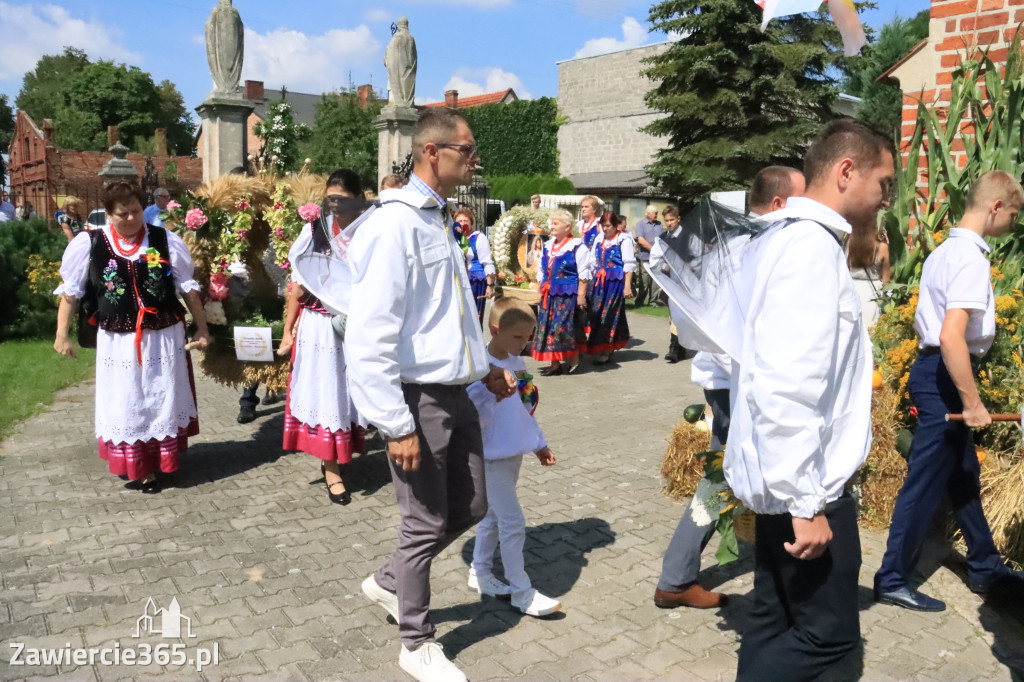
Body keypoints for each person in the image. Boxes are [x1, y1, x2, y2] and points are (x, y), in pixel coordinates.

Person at [347, 108, 516, 682]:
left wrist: (484, 367)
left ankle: (390, 580)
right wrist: (395, 425)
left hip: (456, 390)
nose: (474, 159)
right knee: (422, 522)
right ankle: (416, 641)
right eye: (465, 150)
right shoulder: (393, 224)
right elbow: (370, 334)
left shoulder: (439, 217)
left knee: (472, 505)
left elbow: (450, 312)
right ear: (430, 153)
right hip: (417, 398)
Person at [726, 120, 894, 681]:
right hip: (807, 487)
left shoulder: (778, 238)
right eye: (883, 183)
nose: (884, 199)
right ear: (847, 172)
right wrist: (807, 504)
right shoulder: (808, 250)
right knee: (830, 644)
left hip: (781, 479)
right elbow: (788, 383)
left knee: (773, 620)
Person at [654, 165, 804, 611]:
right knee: (723, 478)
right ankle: (677, 576)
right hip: (735, 381)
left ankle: (678, 575)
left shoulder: (730, 246)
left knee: (724, 477)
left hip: (724, 378)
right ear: (778, 203)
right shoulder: (752, 249)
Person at [874, 170, 1024, 613]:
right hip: (945, 374)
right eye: (1014, 214)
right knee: (922, 485)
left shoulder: (945, 251)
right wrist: (973, 403)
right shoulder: (971, 260)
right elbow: (953, 336)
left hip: (936, 371)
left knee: (963, 477)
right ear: (996, 206)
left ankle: (984, 566)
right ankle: (891, 577)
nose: (1013, 224)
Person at [52, 181, 210, 493]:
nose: (130, 218)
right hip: (119, 340)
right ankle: (140, 467)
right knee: (128, 400)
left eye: (136, 211)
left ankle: (161, 461)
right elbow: (71, 294)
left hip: (163, 334)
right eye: (122, 214)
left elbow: (187, 288)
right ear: (108, 215)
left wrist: (203, 327)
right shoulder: (90, 243)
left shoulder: (163, 240)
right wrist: (61, 335)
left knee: (160, 397)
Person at [467, 297, 562, 617]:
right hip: (490, 455)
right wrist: (485, 390)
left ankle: (479, 571)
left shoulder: (516, 363)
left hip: (512, 452)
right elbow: (468, 411)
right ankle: (521, 591)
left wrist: (539, 444)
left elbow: (523, 410)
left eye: (529, 338)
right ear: (495, 330)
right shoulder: (478, 367)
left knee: (494, 517)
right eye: (518, 337)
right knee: (512, 522)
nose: (525, 345)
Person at [277, 169, 367, 506]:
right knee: (328, 391)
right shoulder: (313, 230)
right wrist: (288, 330)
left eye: (342, 200)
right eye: (331, 199)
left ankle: (350, 448)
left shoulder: (371, 232)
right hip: (320, 325)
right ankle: (331, 469)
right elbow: (297, 286)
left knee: (355, 391)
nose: (336, 206)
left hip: (358, 325)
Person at [532, 207, 592, 376]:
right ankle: (555, 364)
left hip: (567, 294)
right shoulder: (548, 246)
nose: (552, 226)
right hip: (549, 294)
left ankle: (573, 358)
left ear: (567, 227)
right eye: (552, 223)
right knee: (548, 327)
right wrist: (539, 291)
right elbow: (542, 271)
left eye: (556, 223)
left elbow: (584, 273)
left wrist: (581, 295)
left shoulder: (577, 246)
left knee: (563, 327)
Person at [583, 211, 635, 363]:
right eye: (603, 226)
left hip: (614, 283)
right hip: (598, 283)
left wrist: (627, 286)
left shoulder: (623, 239)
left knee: (609, 314)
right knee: (596, 314)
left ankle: (607, 349)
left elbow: (629, 264)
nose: (605, 229)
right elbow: (592, 261)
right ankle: (598, 346)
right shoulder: (599, 239)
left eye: (608, 226)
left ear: (616, 225)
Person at [659, 205, 689, 363]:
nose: (669, 223)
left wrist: (684, 264)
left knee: (682, 314)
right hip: (669, 279)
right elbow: (659, 258)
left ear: (678, 219)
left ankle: (677, 346)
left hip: (686, 281)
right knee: (674, 315)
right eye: (666, 221)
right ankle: (676, 347)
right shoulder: (663, 237)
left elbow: (697, 256)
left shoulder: (688, 236)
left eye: (672, 220)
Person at [455, 207, 495, 323]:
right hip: (459, 281)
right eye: (460, 221)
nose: (462, 223)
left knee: (474, 319)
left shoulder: (479, 238)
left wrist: (490, 285)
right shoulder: (456, 239)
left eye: (465, 221)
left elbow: (487, 262)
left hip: (475, 282)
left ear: (471, 222)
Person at [848, 227, 891, 327]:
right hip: (872, 292)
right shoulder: (882, 247)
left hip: (851, 289)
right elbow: (887, 280)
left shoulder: (848, 245)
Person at [633, 205, 662, 307]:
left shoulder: (659, 224)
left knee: (655, 282)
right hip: (645, 257)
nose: (657, 215)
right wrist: (654, 250)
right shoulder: (641, 224)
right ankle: (639, 301)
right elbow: (640, 240)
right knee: (644, 282)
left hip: (657, 258)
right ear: (648, 214)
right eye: (655, 213)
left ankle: (653, 301)